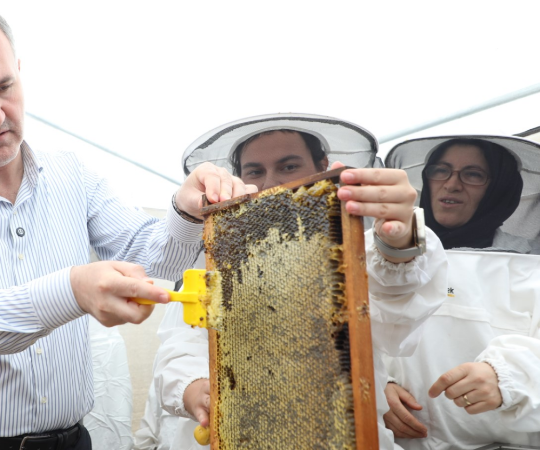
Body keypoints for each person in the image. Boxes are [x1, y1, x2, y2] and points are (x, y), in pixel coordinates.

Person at [0, 4, 256, 450]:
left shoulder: (71, 174)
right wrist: (73, 289)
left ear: (20, 72)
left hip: (68, 441)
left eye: (4, 86)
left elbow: (150, 259)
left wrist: (187, 210)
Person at [149, 113, 448, 450]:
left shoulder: (357, 248)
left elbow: (398, 303)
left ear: (321, 165)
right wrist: (193, 386)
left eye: (288, 166)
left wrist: (400, 243)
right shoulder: (214, 258)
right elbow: (179, 343)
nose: (269, 182)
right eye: (255, 171)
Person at [382, 135, 540, 449]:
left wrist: (507, 377)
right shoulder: (391, 258)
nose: (451, 184)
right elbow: (368, 330)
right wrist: (376, 386)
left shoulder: (529, 264)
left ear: (500, 187)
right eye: (440, 170)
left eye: (473, 175)